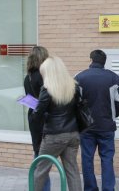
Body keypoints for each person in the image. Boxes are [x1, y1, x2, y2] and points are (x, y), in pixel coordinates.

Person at [75, 49, 119, 191]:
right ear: (104, 62)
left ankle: (90, 188)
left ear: (91, 60)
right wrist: (112, 115)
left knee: (87, 159)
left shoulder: (79, 77)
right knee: (107, 159)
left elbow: (73, 101)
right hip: (106, 126)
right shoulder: (113, 77)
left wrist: (80, 118)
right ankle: (108, 189)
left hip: (86, 127)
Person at [31, 56, 82, 191]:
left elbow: (38, 115)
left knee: (40, 170)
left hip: (54, 135)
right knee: (72, 170)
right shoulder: (74, 86)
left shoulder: (47, 89)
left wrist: (35, 110)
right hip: (73, 134)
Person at [23, 46, 50, 191]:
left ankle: (37, 187)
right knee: (44, 159)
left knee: (38, 154)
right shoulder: (44, 76)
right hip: (45, 118)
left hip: (33, 118)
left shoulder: (28, 77)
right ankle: (42, 188)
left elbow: (31, 98)